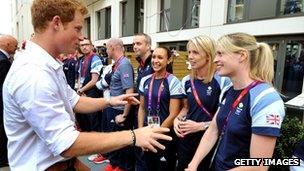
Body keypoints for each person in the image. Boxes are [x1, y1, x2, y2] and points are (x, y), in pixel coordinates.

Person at [2, 1, 172, 170]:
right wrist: (134, 136)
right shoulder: (33, 73)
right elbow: (66, 143)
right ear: (56, 23)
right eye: (77, 28)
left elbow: (74, 101)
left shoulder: (48, 65)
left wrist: (109, 101)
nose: (82, 36)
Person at [185, 32, 285, 171]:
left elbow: (259, 166)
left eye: (220, 54)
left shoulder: (265, 99)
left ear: (242, 56)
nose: (215, 60)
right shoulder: (228, 90)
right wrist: (193, 164)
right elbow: (213, 130)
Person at [173, 35, 231, 171]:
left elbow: (226, 120)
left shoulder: (223, 81)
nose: (190, 56)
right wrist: (177, 120)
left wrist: (200, 126)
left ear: (208, 55)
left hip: (208, 142)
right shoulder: (186, 80)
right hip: (185, 140)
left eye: (195, 52)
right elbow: (186, 108)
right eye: (189, 52)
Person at [138, 46, 184, 171]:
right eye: (153, 57)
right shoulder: (145, 80)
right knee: (148, 166)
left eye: (160, 57)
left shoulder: (173, 81)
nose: (155, 60)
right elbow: (142, 108)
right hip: (148, 133)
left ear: (168, 60)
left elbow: (174, 113)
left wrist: (155, 135)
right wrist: (141, 132)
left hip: (164, 135)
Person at [76, 37, 103, 132]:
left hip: (92, 94)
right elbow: (79, 77)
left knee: (93, 122)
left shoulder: (95, 59)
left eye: (87, 45)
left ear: (91, 46)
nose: (84, 47)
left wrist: (81, 90)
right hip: (82, 93)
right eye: (82, 45)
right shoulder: (82, 60)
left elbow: (94, 80)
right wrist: (79, 90)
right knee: (83, 121)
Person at [0, 34, 18, 168]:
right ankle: (2, 158)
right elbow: (4, 86)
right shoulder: (3, 61)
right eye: (15, 45)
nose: (16, 48)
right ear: (7, 45)